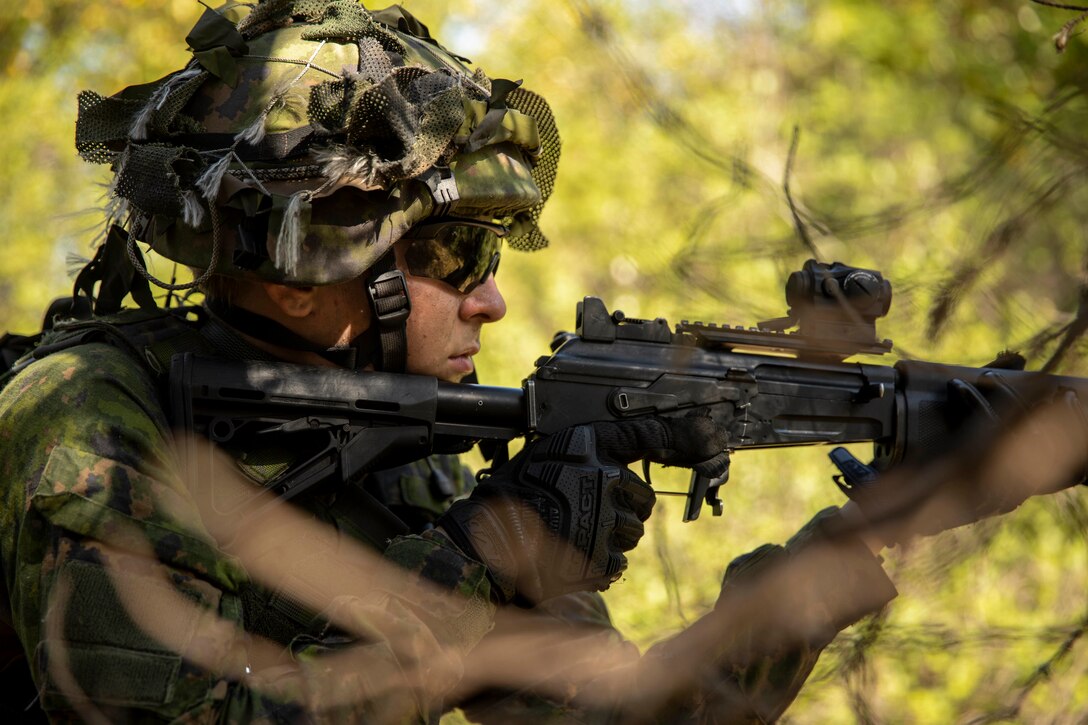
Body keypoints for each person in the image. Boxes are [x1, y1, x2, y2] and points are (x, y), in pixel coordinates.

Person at [0, 2, 1080, 722]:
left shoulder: (401, 455)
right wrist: (474, 557)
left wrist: (858, 535)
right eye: (453, 252)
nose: (492, 294)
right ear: (299, 270)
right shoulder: (86, 418)